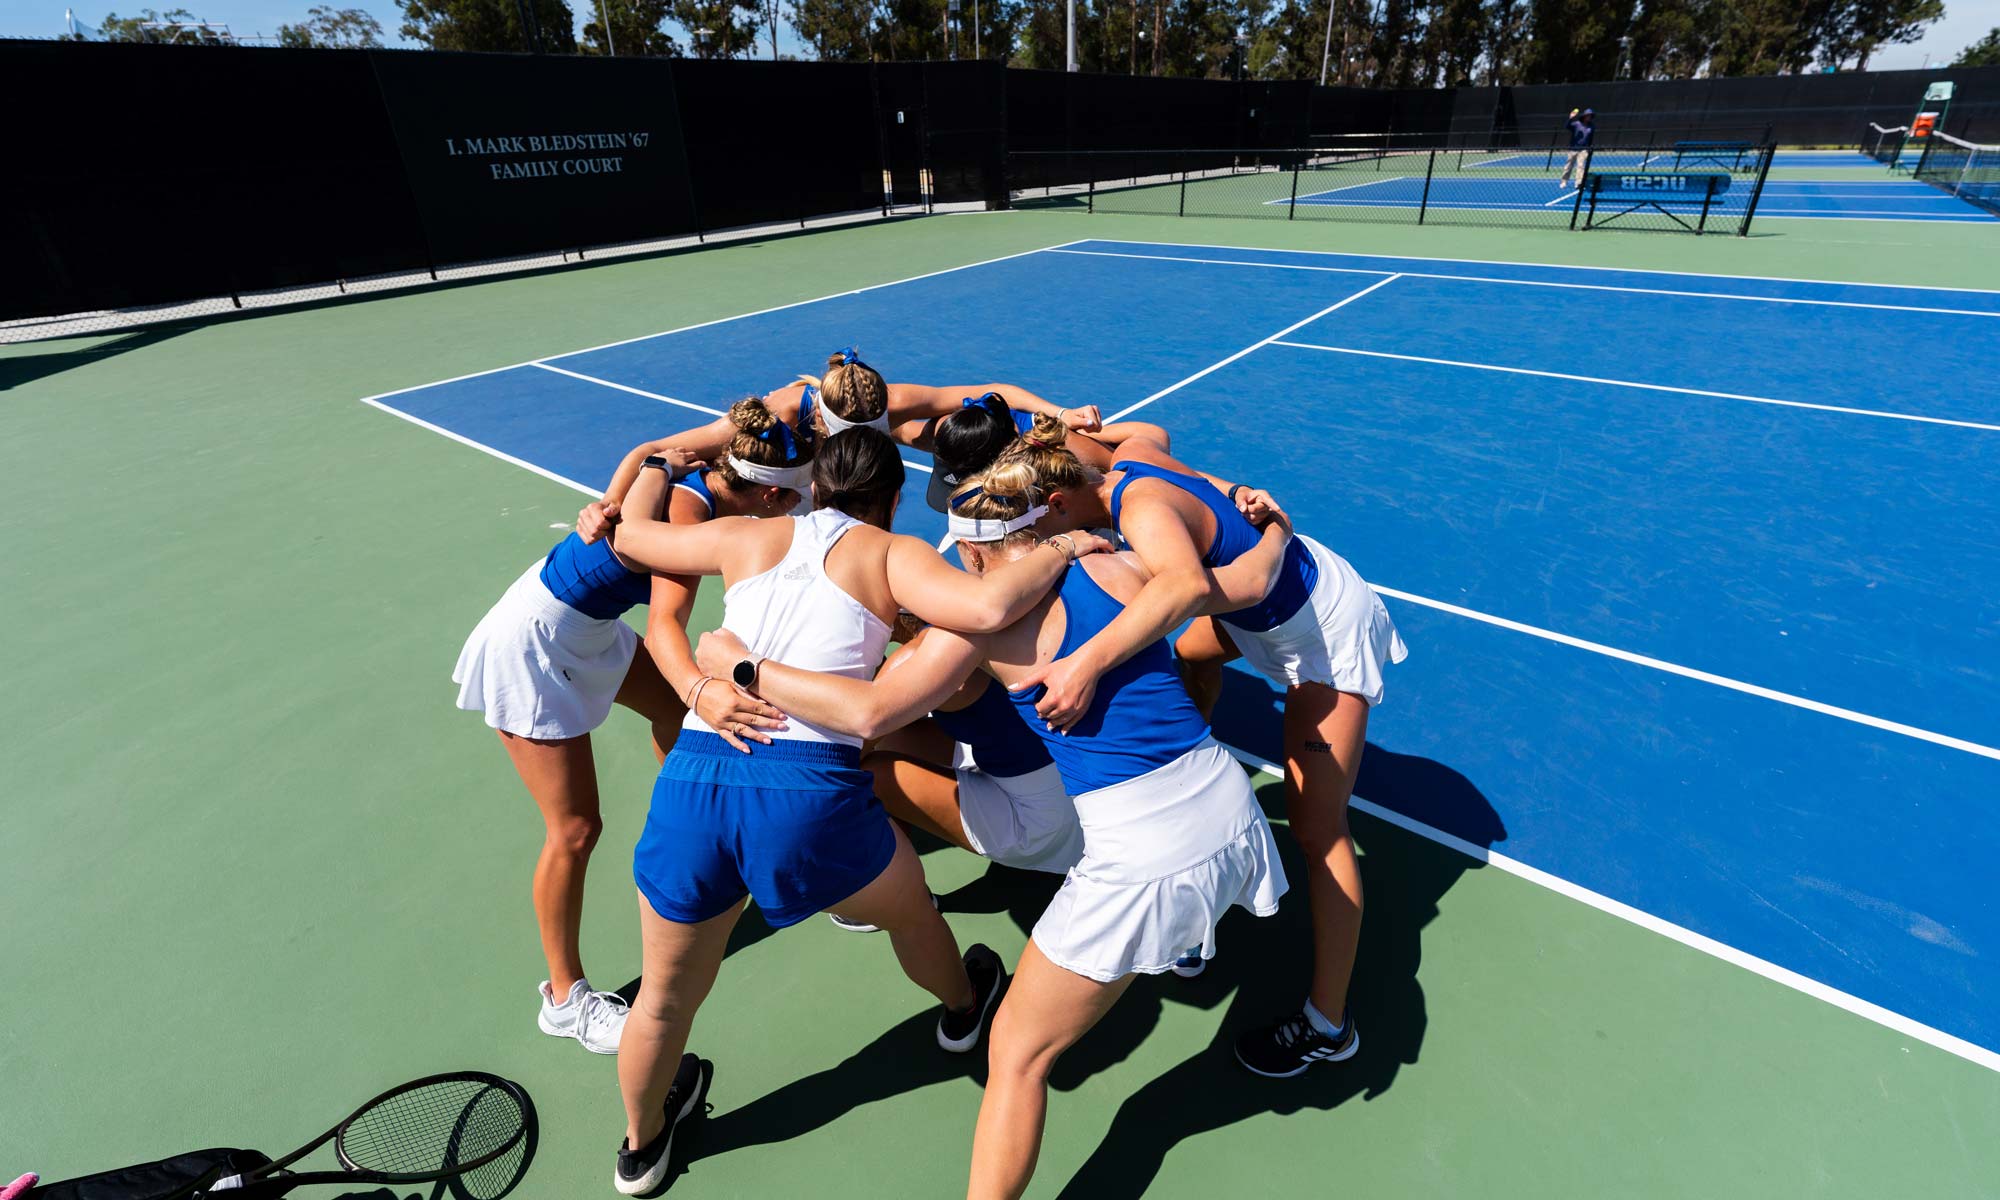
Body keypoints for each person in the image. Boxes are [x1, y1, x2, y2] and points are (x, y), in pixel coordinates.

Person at [692, 471, 1296, 1200]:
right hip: (1227, 801)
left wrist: (742, 667)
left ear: (974, 560)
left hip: (1144, 848)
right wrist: (1276, 528)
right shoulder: (1123, 564)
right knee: (1164, 907)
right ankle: (1185, 941)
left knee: (1016, 1050)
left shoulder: (976, 625)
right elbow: (1256, 578)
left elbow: (869, 713)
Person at [595, 428, 1114, 1195]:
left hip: (697, 777)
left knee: (665, 1000)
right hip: (808, 791)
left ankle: (641, 1150)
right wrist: (1067, 545)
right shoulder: (893, 554)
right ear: (894, 498)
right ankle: (964, 1008)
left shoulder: (747, 534)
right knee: (910, 912)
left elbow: (631, 535)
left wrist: (643, 473)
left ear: (812, 487)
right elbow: (989, 603)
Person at [990, 417, 1407, 1077]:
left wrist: (1085, 664)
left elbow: (1195, 590)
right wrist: (1249, 498)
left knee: (1318, 827)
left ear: (1062, 502)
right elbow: (1170, 449)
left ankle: (1330, 1022)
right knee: (1186, 654)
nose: (1030, 540)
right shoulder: (1130, 456)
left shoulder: (1142, 509)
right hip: (1263, 616)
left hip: (1321, 633)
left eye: (1032, 524)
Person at [450, 401, 803, 1056]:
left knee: (678, 716)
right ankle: (563, 998)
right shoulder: (681, 521)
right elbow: (673, 625)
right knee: (576, 829)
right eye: (781, 497)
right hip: (531, 645)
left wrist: (610, 496)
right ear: (754, 488)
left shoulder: (705, 473)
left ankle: (704, 834)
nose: (787, 505)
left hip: (586, 626)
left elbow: (649, 454)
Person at [577, 350, 1137, 534]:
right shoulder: (774, 416)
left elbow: (993, 391)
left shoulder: (886, 401)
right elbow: (645, 451)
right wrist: (607, 507)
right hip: (768, 504)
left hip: (833, 492)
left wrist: (1058, 415)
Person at [1559, 106, 1596, 189]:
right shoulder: (1576, 124)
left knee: (1581, 167)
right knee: (1568, 167)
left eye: (1590, 116)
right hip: (1573, 149)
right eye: (1588, 115)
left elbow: (1591, 138)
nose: (1589, 117)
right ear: (1584, 116)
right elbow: (1567, 126)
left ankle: (1578, 183)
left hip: (1584, 150)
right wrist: (1570, 118)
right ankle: (1564, 182)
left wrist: (1589, 148)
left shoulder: (1591, 127)